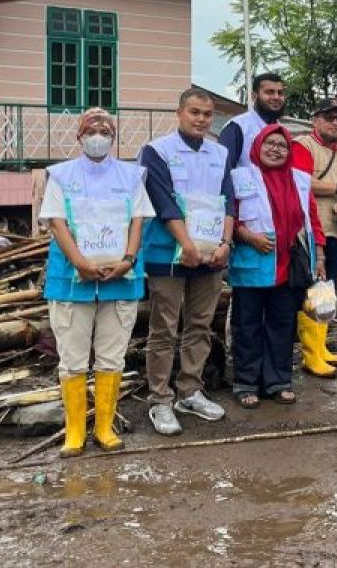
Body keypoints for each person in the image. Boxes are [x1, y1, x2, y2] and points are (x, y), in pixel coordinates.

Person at [40, 108, 155, 456]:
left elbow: (138, 221)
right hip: (72, 281)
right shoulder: (60, 176)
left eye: (105, 128)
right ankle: (75, 431)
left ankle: (104, 427)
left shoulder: (132, 176)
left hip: (121, 277)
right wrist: (80, 263)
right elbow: (57, 224)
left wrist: (128, 260)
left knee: (111, 357)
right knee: (72, 359)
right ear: (79, 135)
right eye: (91, 127)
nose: (98, 133)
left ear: (113, 137)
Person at [138, 88, 234, 436]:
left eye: (207, 114)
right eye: (194, 112)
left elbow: (228, 200)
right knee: (164, 327)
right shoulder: (156, 151)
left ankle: (190, 391)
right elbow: (163, 202)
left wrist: (225, 242)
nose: (201, 119)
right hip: (168, 254)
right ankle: (160, 399)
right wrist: (186, 244)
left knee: (200, 325)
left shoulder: (221, 153)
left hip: (212, 255)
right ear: (179, 113)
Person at [228, 125, 325, 407]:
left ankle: (278, 381)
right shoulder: (241, 177)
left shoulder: (300, 179)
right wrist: (248, 236)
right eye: (269, 143)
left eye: (282, 146)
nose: (275, 149)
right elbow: (229, 215)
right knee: (247, 326)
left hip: (288, 265)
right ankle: (246, 382)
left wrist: (318, 256)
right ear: (257, 146)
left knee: (282, 325)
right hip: (253, 262)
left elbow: (313, 221)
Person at [292, 98, 337, 377]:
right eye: (329, 117)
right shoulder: (303, 145)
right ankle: (310, 355)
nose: (335, 122)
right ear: (315, 120)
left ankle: (321, 347)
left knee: (326, 291)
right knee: (312, 290)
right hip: (309, 230)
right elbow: (302, 183)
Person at [219, 72, 286, 168]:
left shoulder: (283, 131)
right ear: (254, 96)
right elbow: (224, 171)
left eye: (280, 93)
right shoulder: (237, 127)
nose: (276, 97)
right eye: (269, 92)